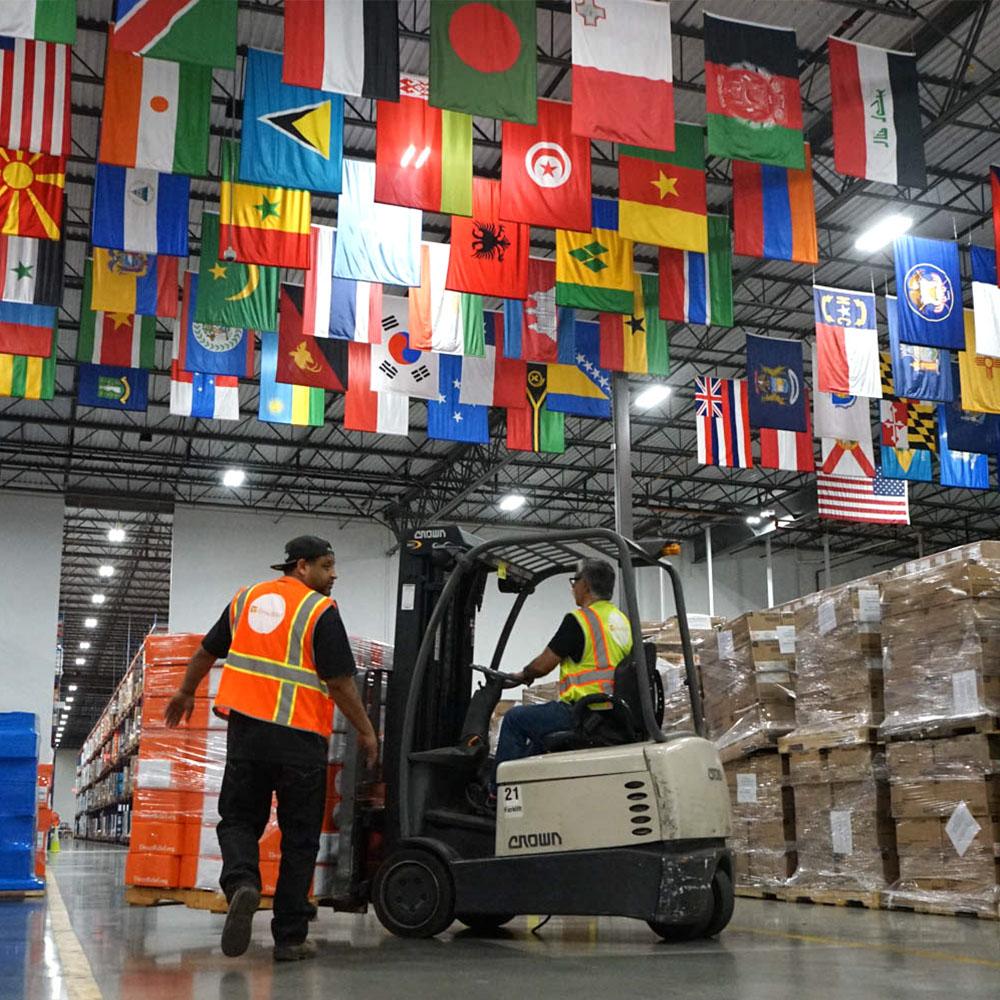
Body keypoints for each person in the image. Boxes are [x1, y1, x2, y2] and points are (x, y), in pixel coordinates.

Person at [164, 535, 378, 963]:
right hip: (300, 739)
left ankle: (242, 883)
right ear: (301, 566)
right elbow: (339, 683)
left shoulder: (247, 599)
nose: (333, 575)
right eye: (326, 565)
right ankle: (290, 938)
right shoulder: (320, 611)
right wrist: (368, 732)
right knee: (299, 840)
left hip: (247, 736)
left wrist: (186, 691)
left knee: (239, 820)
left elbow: (207, 651)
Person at [488, 558, 633, 801]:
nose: (573, 587)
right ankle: (527, 794)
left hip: (583, 713)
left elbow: (543, 665)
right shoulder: (620, 621)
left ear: (585, 585)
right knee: (536, 741)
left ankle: (498, 796)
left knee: (514, 719)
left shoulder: (580, 620)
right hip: (612, 714)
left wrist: (522, 676)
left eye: (574, 581)